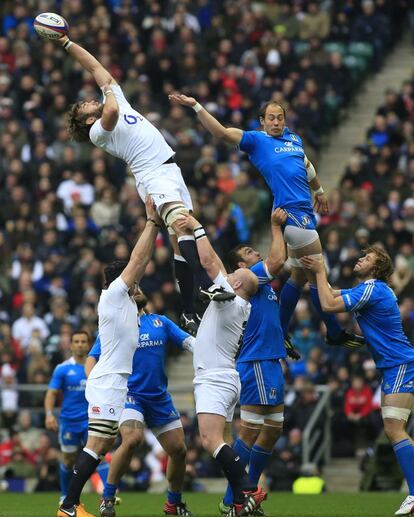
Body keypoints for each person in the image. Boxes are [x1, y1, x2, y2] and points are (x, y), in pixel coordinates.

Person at [45, 33, 233, 335]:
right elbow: (112, 109)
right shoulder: (98, 132)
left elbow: (96, 68)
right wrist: (109, 92)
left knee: (177, 241)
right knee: (185, 224)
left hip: (169, 171)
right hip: (153, 175)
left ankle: (187, 311)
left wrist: (67, 43)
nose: (89, 100)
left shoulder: (114, 101)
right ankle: (208, 286)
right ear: (85, 121)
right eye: (83, 106)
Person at [168, 93, 363, 349]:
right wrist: (196, 106)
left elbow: (306, 164)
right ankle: (334, 331)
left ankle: (281, 331)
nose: (276, 122)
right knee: (317, 274)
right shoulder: (256, 140)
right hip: (290, 214)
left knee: (299, 276)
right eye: (271, 118)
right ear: (262, 121)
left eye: (280, 118)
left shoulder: (293, 138)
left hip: (305, 211)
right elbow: (223, 133)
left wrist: (319, 191)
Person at [57, 196, 161, 517]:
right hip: (107, 381)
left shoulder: (128, 305)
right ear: (123, 281)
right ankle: (68, 506)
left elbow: (139, 265)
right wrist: (152, 222)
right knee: (97, 446)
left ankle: (70, 505)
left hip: (115, 381)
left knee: (100, 446)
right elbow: (139, 259)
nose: (138, 282)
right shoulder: (115, 294)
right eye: (134, 280)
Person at [302, 246, 414, 516]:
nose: (360, 258)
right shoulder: (369, 290)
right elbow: (328, 293)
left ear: (376, 269)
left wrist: (318, 271)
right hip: (392, 367)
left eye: (367, 258)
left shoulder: (373, 288)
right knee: (393, 429)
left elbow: (329, 304)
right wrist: (314, 274)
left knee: (395, 429)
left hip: (401, 365)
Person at [177, 213, 266, 517]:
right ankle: (241, 503)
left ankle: (248, 488)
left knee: (209, 441)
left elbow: (207, 263)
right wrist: (188, 235)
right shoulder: (237, 302)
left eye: (233, 274)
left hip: (214, 379)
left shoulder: (228, 297)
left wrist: (196, 228)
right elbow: (212, 261)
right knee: (223, 442)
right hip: (225, 377)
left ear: (238, 281)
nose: (228, 275)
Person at [85, 288, 195, 517]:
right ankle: (107, 497)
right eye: (130, 290)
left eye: (139, 288)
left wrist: (210, 347)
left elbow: (189, 343)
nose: (136, 291)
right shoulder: (116, 327)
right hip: (129, 394)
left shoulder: (160, 322)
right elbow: (93, 357)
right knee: (133, 439)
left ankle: (173, 503)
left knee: (178, 450)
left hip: (158, 396)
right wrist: (94, 383)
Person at [219, 208, 297, 516]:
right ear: (240, 266)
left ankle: (244, 493)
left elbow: (285, 269)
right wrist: (276, 227)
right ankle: (233, 499)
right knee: (249, 432)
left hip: (270, 360)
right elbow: (278, 261)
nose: (257, 253)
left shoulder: (263, 285)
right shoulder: (246, 281)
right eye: (250, 252)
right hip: (257, 362)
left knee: (273, 429)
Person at [44, 330, 108, 506]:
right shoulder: (63, 368)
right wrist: (49, 414)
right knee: (68, 460)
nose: (80, 344)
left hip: (91, 419)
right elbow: (51, 393)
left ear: (89, 345)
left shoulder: (97, 367)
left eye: (83, 341)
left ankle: (108, 494)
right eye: (76, 341)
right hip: (69, 422)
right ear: (71, 345)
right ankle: (65, 495)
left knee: (98, 456)